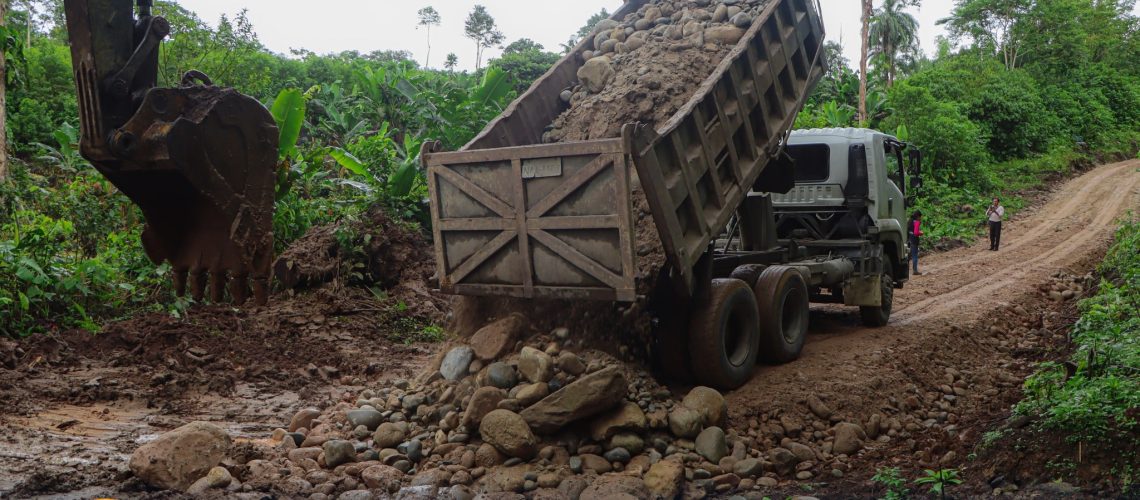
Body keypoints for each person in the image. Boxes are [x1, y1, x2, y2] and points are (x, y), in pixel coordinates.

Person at [908, 211, 923, 275]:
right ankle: (915, 270)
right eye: (920, 217)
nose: (920, 218)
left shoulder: (910, 221)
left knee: (909, 256)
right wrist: (921, 233)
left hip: (909, 240)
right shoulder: (916, 222)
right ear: (918, 216)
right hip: (914, 240)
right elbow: (916, 232)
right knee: (915, 256)